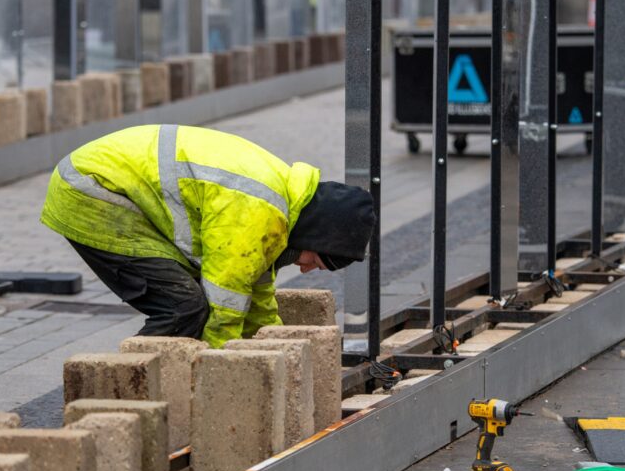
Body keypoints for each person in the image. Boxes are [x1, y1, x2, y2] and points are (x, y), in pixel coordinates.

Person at [41, 124, 375, 348]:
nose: (305, 269)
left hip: (107, 184)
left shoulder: (278, 208)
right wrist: (222, 369)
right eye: (315, 261)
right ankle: (129, 390)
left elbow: (254, 295)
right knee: (183, 306)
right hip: (92, 190)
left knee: (188, 300)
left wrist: (276, 343)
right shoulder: (258, 210)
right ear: (316, 235)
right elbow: (225, 305)